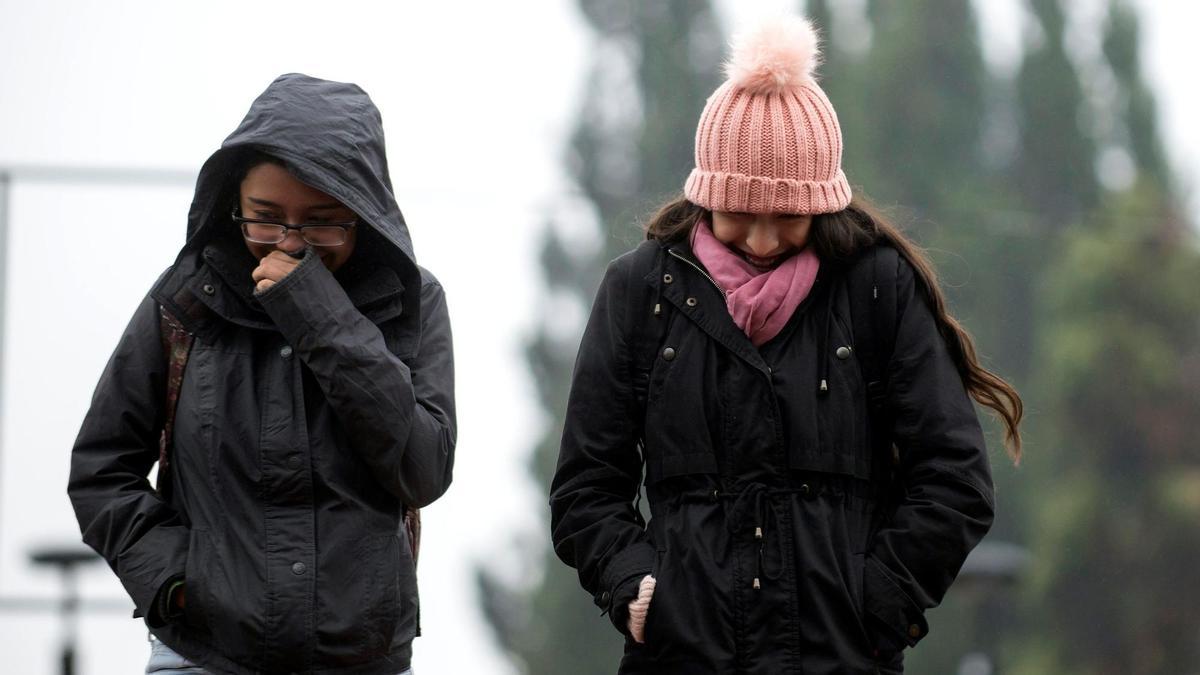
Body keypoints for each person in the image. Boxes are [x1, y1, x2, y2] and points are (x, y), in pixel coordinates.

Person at [549, 16, 1022, 675]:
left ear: (824, 203)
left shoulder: (877, 289)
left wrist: (881, 605)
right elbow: (586, 487)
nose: (764, 240)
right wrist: (632, 582)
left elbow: (955, 479)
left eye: (788, 217)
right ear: (706, 195)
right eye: (741, 212)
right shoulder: (639, 292)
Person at [68, 74, 455, 675]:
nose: (289, 242)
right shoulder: (184, 299)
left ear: (364, 209)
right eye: (265, 217)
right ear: (233, 205)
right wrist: (174, 582)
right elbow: (101, 469)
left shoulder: (412, 300)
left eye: (323, 220)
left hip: (361, 659)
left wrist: (322, 318)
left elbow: (423, 468)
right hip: (203, 656)